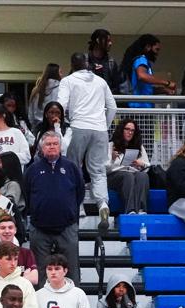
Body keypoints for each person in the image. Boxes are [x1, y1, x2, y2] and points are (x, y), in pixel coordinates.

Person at [57, 53, 116, 234]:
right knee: (98, 171)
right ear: (87, 63)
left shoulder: (67, 81)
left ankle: (79, 206)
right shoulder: (100, 81)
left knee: (74, 168)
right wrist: (104, 126)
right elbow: (112, 107)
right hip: (100, 129)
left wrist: (60, 125)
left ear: (72, 64)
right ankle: (103, 204)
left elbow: (60, 105)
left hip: (78, 127)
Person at [22, 132, 84, 284]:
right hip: (39, 229)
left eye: (55, 144)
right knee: (40, 271)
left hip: (67, 227)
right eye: (48, 144)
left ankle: (74, 297)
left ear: (60, 146)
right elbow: (26, 194)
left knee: (71, 269)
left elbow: (80, 193)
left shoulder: (71, 167)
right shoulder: (33, 169)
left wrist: (69, 213)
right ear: (42, 148)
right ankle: (40, 298)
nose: (52, 147)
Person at [107, 118, 151, 214]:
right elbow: (104, 169)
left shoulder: (139, 146)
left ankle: (141, 209)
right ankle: (130, 210)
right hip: (114, 176)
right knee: (128, 176)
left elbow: (147, 165)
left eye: (132, 130)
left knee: (143, 176)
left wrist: (141, 164)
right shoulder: (110, 145)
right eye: (127, 129)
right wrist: (112, 158)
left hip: (132, 173)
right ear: (121, 130)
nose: (130, 132)